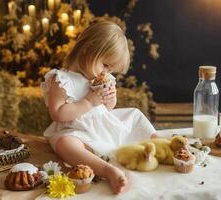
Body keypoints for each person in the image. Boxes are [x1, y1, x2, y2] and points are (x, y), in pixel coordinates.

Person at [41, 21, 157, 194]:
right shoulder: (62, 80)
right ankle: (107, 170)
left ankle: (159, 144)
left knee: (134, 114)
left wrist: (110, 99)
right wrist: (88, 102)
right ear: (89, 49)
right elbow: (57, 113)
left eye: (111, 69)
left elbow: (108, 109)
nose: (106, 73)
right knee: (65, 144)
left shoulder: (103, 78)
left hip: (103, 125)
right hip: (77, 130)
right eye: (105, 65)